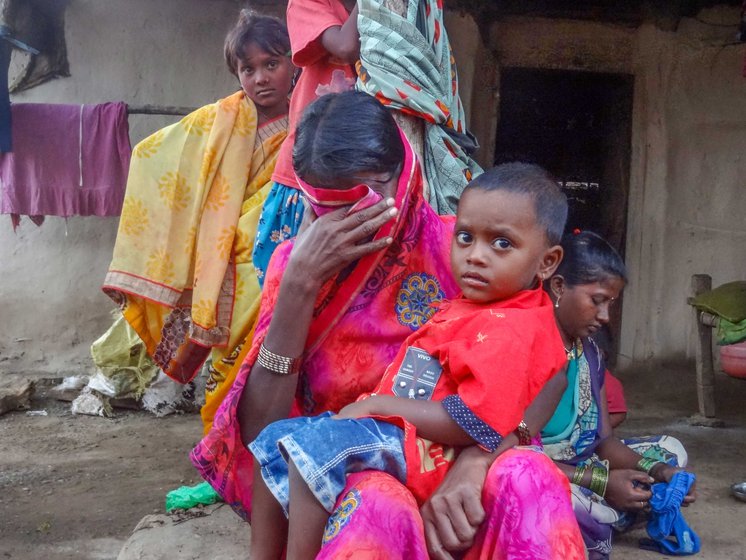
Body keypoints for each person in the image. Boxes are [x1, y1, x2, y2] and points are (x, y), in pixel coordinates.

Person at [191, 91, 585, 559]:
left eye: (367, 201)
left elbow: (548, 369)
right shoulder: (296, 266)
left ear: (405, 173)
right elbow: (263, 433)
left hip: (469, 459)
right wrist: (299, 285)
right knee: (378, 504)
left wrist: (480, 458)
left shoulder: (464, 253)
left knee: (530, 479)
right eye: (328, 209)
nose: (348, 225)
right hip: (352, 474)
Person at [248, 162, 570, 559]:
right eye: (465, 238)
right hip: (401, 433)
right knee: (273, 442)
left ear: (547, 262)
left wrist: (378, 405)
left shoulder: (511, 325)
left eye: (501, 244)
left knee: (308, 454)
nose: (476, 256)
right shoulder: (487, 306)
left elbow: (475, 421)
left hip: (420, 446)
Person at [103, 11, 294, 431]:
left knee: (266, 357)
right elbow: (152, 154)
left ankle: (254, 442)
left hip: (271, 257)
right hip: (222, 257)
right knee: (225, 364)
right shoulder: (221, 117)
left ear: (293, 63)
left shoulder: (307, 118)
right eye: (248, 69)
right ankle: (222, 443)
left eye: (271, 64)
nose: (260, 77)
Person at [541, 231, 696, 559]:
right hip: (542, 472)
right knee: (553, 497)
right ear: (558, 287)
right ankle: (605, 514)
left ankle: (612, 508)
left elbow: (604, 441)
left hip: (585, 463)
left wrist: (659, 472)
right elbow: (513, 455)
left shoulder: (591, 353)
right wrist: (602, 482)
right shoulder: (527, 347)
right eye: (597, 300)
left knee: (671, 451)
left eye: (610, 303)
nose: (605, 316)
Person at [251, 0, 359, 285]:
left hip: (358, 176)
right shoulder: (307, 3)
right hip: (304, 179)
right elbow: (347, 46)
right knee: (288, 281)